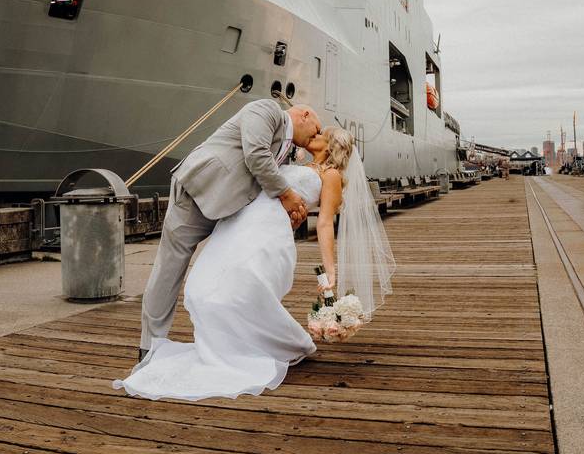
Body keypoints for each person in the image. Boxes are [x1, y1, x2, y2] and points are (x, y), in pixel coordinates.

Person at [116, 126, 396, 400]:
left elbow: (324, 224)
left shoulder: (331, 175)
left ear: (332, 145)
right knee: (200, 287)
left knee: (243, 288)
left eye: (321, 134)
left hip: (267, 234)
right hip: (238, 224)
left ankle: (261, 345)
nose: (314, 134)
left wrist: (330, 270)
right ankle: (228, 345)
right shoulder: (293, 161)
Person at [138, 99, 320, 362]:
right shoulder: (266, 110)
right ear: (304, 115)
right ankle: (149, 348)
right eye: (315, 130)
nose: (315, 138)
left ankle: (228, 340)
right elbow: (256, 154)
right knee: (168, 272)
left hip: (230, 209)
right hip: (197, 194)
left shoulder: (287, 145)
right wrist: (287, 194)